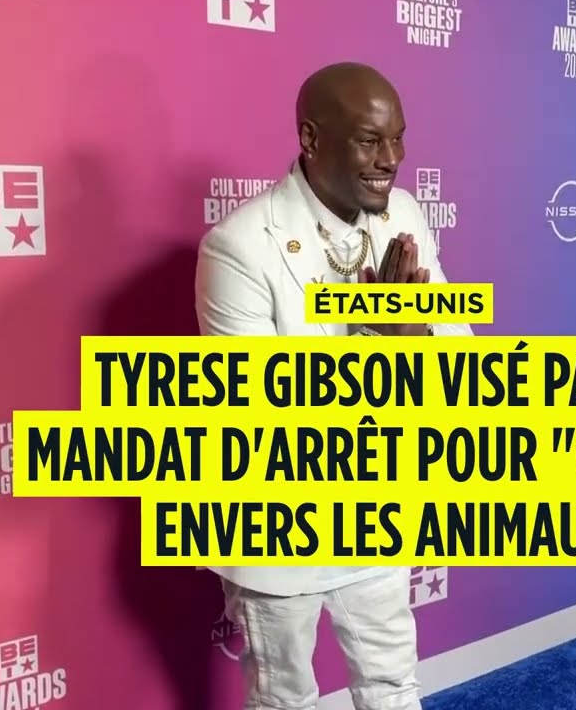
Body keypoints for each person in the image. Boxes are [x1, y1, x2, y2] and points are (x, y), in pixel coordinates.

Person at [194, 61, 472, 710]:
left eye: (398, 139)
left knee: (393, 686)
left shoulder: (403, 215)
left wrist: (412, 336)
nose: (391, 160)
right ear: (311, 139)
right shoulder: (238, 247)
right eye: (370, 141)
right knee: (285, 699)